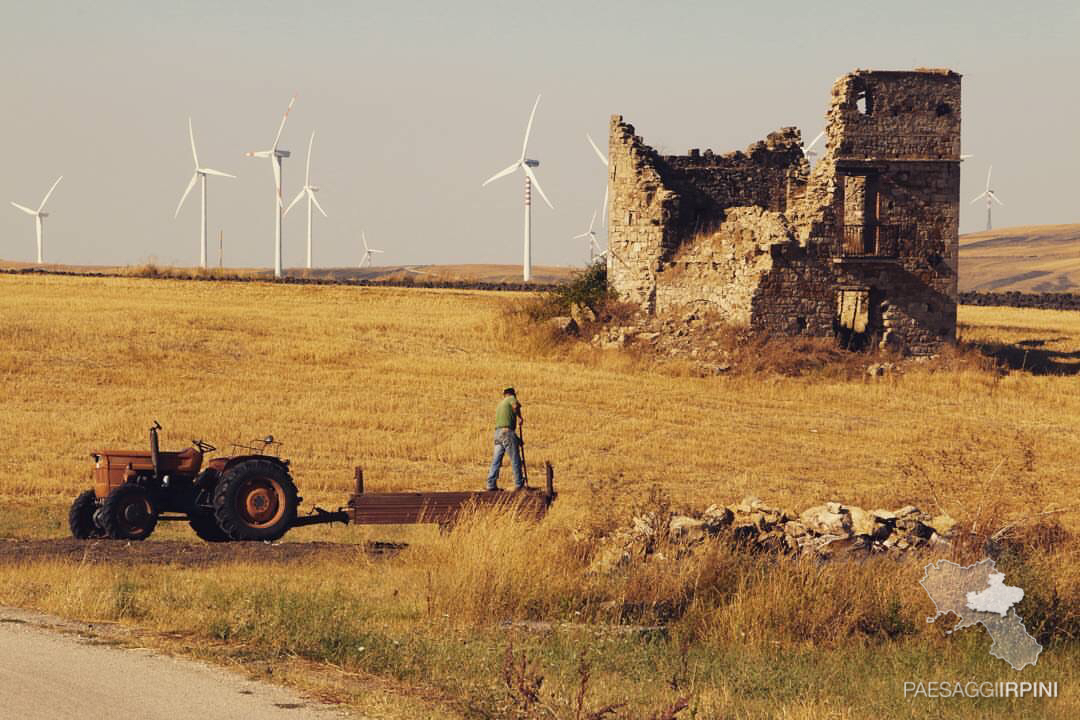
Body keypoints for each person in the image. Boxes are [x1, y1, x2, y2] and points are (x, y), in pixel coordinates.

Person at [486, 387, 524, 491]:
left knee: (496, 460)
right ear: (512, 394)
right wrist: (520, 417)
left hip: (497, 433)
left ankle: (491, 484)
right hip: (507, 432)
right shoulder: (511, 398)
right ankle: (519, 483)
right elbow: (515, 406)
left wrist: (517, 439)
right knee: (515, 458)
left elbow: (503, 425)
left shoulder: (500, 404)